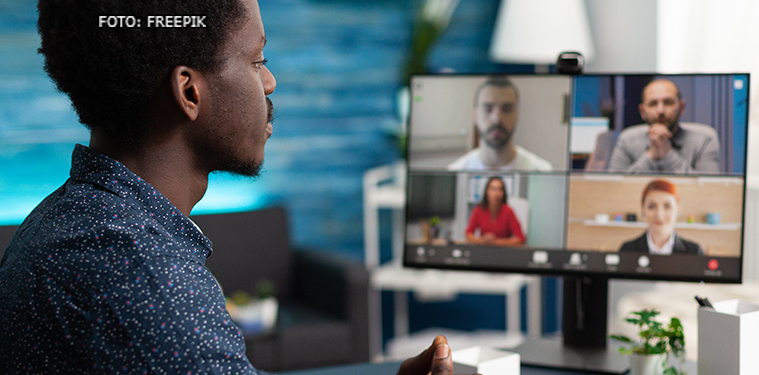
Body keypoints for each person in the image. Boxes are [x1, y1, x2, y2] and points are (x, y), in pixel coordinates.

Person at [0, 1, 460, 374]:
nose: (270, 81)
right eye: (257, 60)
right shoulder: (138, 274)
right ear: (190, 92)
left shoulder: (73, 218)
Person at [608, 79, 720, 174]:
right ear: (642, 112)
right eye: (653, 104)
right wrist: (651, 156)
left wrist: (667, 155)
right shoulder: (627, 139)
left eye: (668, 102)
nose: (660, 110)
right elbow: (615, 188)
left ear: (681, 108)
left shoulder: (705, 139)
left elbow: (709, 189)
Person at [447, 76, 553, 171]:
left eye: (507, 109)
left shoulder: (542, 170)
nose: (497, 119)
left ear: (517, 114)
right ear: (475, 115)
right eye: (488, 109)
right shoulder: (455, 171)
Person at [618, 179, 703, 255]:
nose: (659, 214)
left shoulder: (694, 252)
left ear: (677, 208)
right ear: (643, 209)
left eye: (667, 206)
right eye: (651, 206)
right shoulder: (627, 250)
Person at [465, 176, 526, 245]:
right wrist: (482, 240)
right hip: (483, 250)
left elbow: (520, 238)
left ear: (503, 193)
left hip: (503, 251)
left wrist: (496, 242)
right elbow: (468, 234)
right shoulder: (478, 210)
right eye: (492, 189)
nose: (496, 193)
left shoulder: (508, 211)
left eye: (500, 189)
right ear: (487, 191)